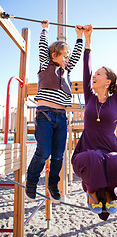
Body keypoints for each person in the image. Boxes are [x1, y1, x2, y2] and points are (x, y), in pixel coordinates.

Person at [71, 23, 117, 221]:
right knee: (94, 156)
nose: (94, 76)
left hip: (109, 152)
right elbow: (85, 71)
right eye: (94, 74)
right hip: (85, 154)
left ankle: (110, 196)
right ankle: (93, 193)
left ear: (108, 81)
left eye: (99, 74)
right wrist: (88, 40)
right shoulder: (90, 98)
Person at [25, 20, 84, 204]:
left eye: (67, 56)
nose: (67, 59)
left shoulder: (67, 70)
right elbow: (42, 47)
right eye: (64, 56)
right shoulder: (45, 64)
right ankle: (32, 181)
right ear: (53, 55)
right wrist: (45, 30)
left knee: (58, 154)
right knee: (44, 152)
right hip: (45, 115)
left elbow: (76, 55)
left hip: (61, 117)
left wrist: (80, 37)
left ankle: (53, 185)